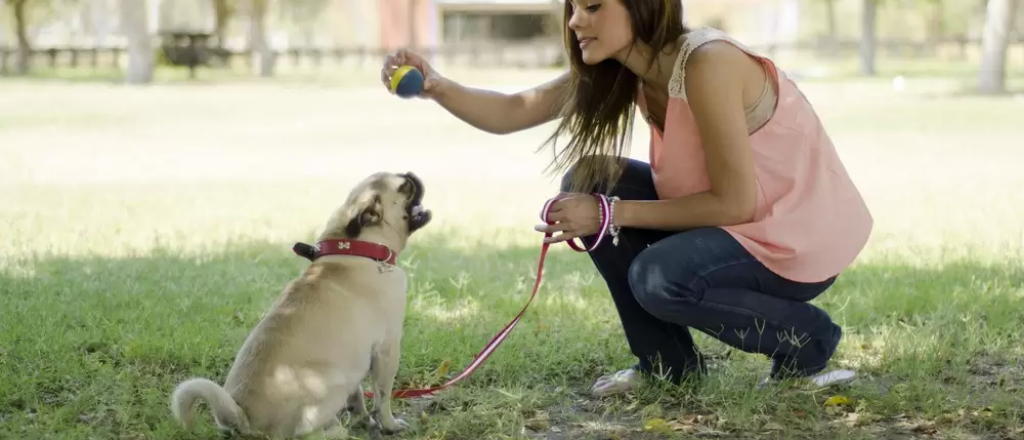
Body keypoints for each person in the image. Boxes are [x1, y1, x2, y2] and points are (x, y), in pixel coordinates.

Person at [380, 0, 872, 397]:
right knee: (589, 178)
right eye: (574, 8)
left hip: (789, 238)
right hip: (734, 225)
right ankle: (668, 365)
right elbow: (513, 110)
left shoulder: (709, 63)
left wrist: (608, 213)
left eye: (593, 7)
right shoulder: (623, 69)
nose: (575, 21)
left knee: (658, 276)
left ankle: (807, 340)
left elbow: (736, 203)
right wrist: (437, 86)